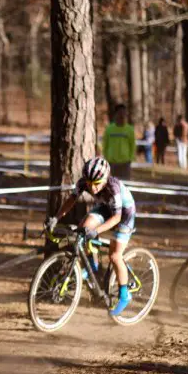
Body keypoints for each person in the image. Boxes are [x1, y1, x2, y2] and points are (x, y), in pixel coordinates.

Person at [45, 157, 137, 316]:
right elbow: (71, 200)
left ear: (105, 179)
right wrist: (56, 217)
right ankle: (92, 267)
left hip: (124, 214)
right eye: (89, 183)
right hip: (106, 207)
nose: (92, 187)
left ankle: (124, 294)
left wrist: (98, 231)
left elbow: (116, 218)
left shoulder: (113, 187)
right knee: (83, 229)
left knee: (115, 256)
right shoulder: (84, 182)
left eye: (96, 183)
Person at [101, 104, 136, 180]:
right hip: (111, 163)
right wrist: (106, 158)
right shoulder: (109, 129)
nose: (122, 116)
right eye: (120, 114)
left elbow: (132, 145)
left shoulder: (130, 130)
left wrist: (130, 159)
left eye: (124, 114)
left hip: (125, 163)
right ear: (116, 114)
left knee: (125, 185)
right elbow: (105, 145)